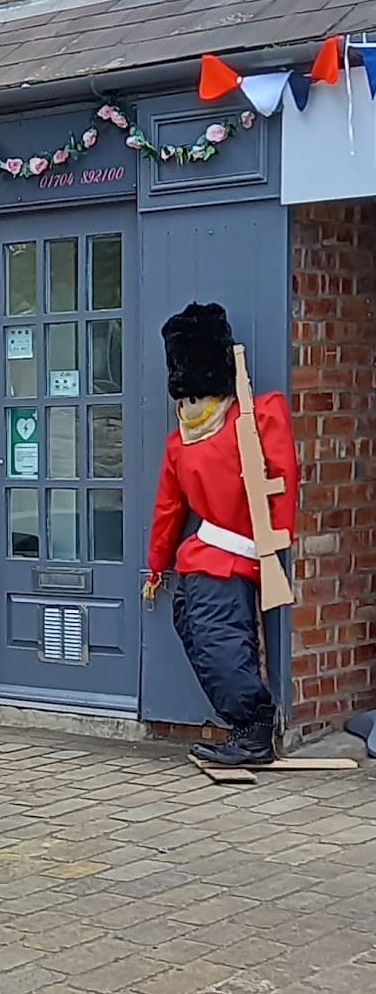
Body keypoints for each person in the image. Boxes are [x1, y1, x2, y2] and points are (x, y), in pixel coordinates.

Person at [145, 302, 298, 767]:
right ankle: (241, 722)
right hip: (199, 556)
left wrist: (276, 534)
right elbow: (168, 508)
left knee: (220, 641)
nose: (189, 409)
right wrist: (157, 564)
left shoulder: (254, 420)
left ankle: (252, 727)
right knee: (193, 627)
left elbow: (282, 478)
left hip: (232, 555)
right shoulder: (179, 445)